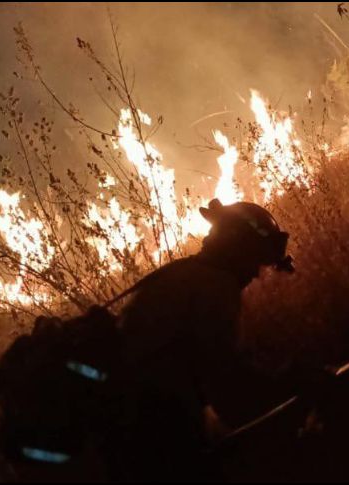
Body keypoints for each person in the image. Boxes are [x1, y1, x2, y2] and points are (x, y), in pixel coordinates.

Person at [106, 198, 299, 481]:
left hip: (129, 430)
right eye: (257, 261)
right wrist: (291, 386)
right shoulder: (214, 288)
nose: (256, 275)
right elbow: (228, 390)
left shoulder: (182, 273)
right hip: (149, 439)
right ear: (239, 248)